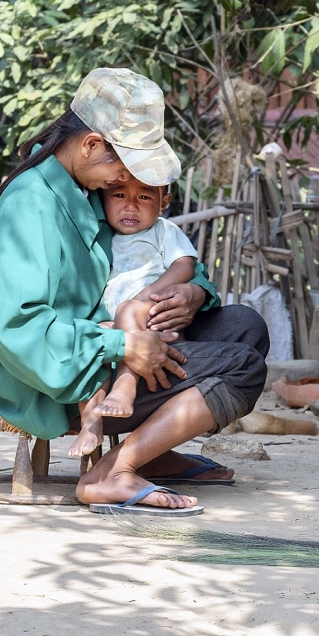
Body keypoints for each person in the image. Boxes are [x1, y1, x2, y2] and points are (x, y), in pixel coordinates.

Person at [0, 67, 270, 515]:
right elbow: (18, 329)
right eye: (124, 167)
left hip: (113, 347)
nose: (125, 184)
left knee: (245, 327)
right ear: (92, 144)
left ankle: (154, 449)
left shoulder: (88, 185)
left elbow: (164, 259)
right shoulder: (29, 206)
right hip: (57, 378)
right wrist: (124, 344)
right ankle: (112, 471)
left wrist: (193, 293)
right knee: (243, 368)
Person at [67, 177, 198, 458]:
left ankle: (125, 385)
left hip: (152, 321)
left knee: (127, 309)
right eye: (119, 196)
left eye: (144, 198)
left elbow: (185, 266)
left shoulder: (165, 232)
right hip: (117, 325)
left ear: (164, 202)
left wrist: (145, 297)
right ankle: (91, 420)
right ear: (103, 201)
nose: (130, 206)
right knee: (93, 339)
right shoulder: (99, 238)